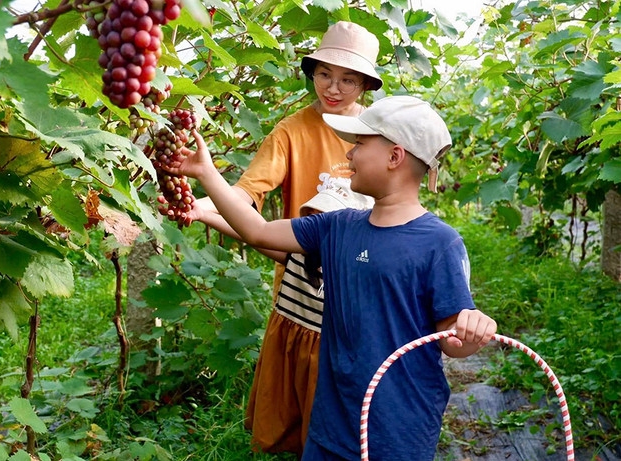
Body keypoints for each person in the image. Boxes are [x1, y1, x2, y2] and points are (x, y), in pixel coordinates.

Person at [168, 95, 498, 460]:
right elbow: (258, 231)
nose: (349, 155)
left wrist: (473, 327)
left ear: (395, 157)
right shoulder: (337, 227)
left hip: (398, 432)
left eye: (359, 144)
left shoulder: (440, 244)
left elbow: (453, 341)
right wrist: (205, 173)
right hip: (331, 424)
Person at [189, 21, 381, 456]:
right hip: (300, 280)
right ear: (311, 73)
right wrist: (202, 204)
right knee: (297, 400)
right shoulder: (292, 130)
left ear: (366, 83)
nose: (334, 87)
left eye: (348, 78)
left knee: (347, 399)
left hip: (357, 287)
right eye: (324, 74)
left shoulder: (378, 131)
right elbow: (246, 192)